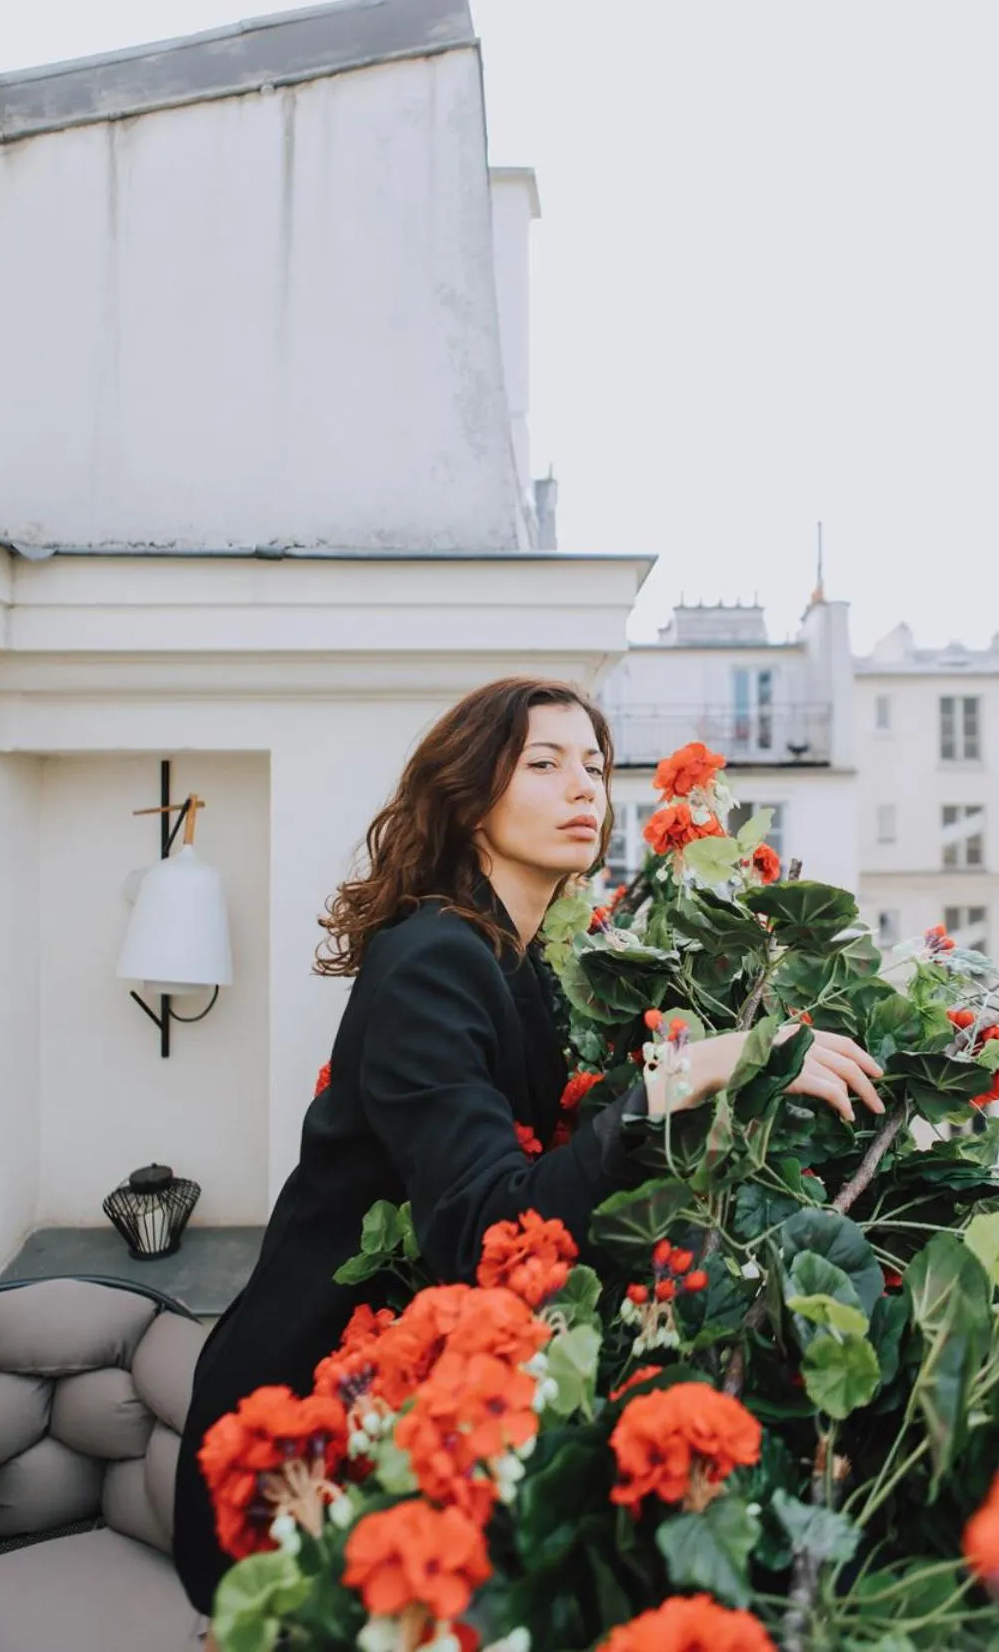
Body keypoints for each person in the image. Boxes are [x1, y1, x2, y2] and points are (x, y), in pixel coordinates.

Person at [172, 676, 883, 1619]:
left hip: (401, 1400)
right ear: (469, 799)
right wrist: (694, 1068)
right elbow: (486, 1225)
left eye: (594, 766)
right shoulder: (432, 959)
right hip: (296, 1433)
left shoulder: (511, 963)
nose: (584, 787)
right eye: (544, 765)